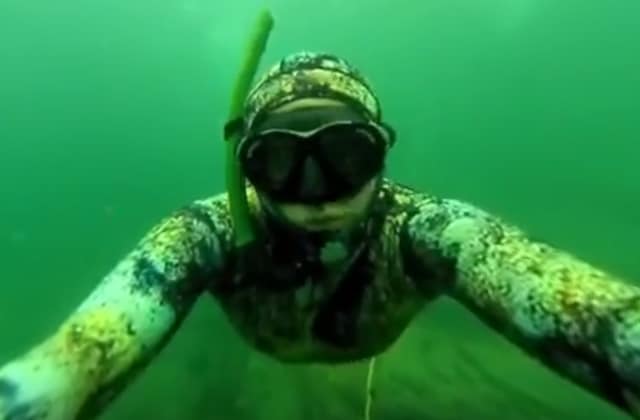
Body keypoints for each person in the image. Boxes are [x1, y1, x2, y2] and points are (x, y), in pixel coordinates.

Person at [1, 51, 639, 420]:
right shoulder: (206, 232)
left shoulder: (426, 228)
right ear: (246, 168)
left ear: (381, 151)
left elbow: (541, 284)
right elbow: (85, 349)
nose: (319, 192)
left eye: (345, 155)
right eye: (282, 162)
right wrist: (44, 389)